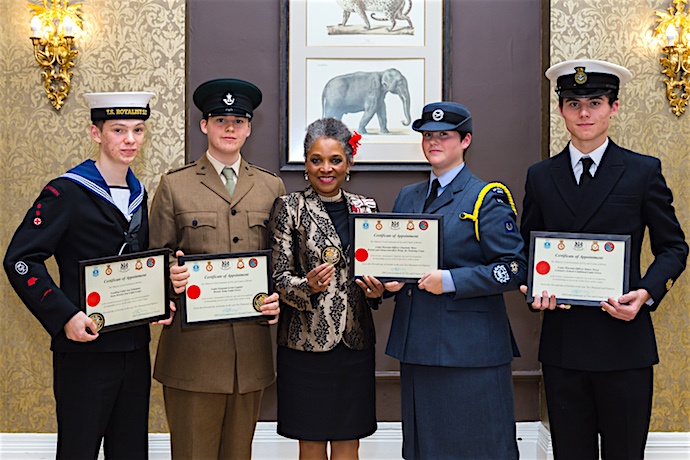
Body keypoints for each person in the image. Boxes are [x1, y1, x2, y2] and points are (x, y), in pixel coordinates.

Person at [520, 59, 688, 459]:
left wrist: (645, 293)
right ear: (560, 109)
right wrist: (532, 287)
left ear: (613, 107)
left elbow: (674, 247)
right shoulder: (541, 175)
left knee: (625, 453)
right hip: (565, 342)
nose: (584, 112)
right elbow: (528, 246)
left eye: (594, 102)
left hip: (624, 343)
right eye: (573, 102)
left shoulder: (642, 171)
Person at [4, 91, 159, 459]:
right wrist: (65, 316)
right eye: (118, 130)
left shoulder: (139, 194)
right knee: (78, 450)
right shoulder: (67, 192)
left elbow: (141, 263)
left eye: (138, 130)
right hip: (85, 348)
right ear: (95, 133)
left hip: (134, 349)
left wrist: (162, 298)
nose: (130, 140)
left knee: (131, 451)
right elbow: (21, 260)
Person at [148, 78, 284, 459]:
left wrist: (277, 299)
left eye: (238, 121)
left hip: (250, 351)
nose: (229, 128)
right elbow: (153, 261)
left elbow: (280, 262)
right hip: (194, 354)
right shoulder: (175, 186)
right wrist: (168, 279)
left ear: (249, 128)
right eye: (220, 119)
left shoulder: (271, 187)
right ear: (204, 125)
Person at [384, 102, 526, 459]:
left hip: (470, 350)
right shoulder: (408, 196)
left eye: (444, 136)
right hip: (417, 344)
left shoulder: (485, 196)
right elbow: (399, 259)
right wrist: (392, 281)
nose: (434, 142)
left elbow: (514, 268)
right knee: (425, 449)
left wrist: (450, 280)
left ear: (465, 140)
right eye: (428, 136)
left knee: (477, 446)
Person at [268, 118, 381, 460]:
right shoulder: (289, 207)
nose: (326, 168)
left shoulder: (367, 207)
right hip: (305, 345)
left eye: (335, 160)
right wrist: (308, 286)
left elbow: (375, 273)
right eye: (316, 159)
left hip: (354, 342)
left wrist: (379, 292)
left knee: (350, 440)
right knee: (312, 442)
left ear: (349, 163)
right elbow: (277, 277)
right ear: (306, 164)